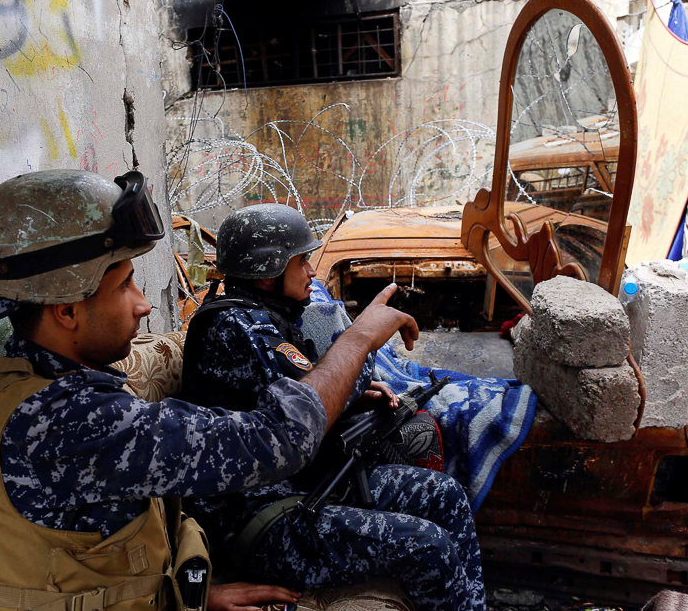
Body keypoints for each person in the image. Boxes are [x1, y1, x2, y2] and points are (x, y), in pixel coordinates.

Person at [0, 170, 418, 611]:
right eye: (126, 286)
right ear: (66, 310)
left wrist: (192, 595)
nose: (145, 305)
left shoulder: (30, 383)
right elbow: (278, 440)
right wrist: (358, 339)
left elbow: (82, 556)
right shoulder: (66, 418)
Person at [181, 203, 487, 611]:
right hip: (259, 517)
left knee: (445, 494)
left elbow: (314, 390)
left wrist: (351, 392)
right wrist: (360, 341)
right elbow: (316, 399)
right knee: (427, 546)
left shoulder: (270, 318)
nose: (311, 272)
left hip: (305, 485)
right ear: (269, 271)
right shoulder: (237, 328)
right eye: (302, 260)